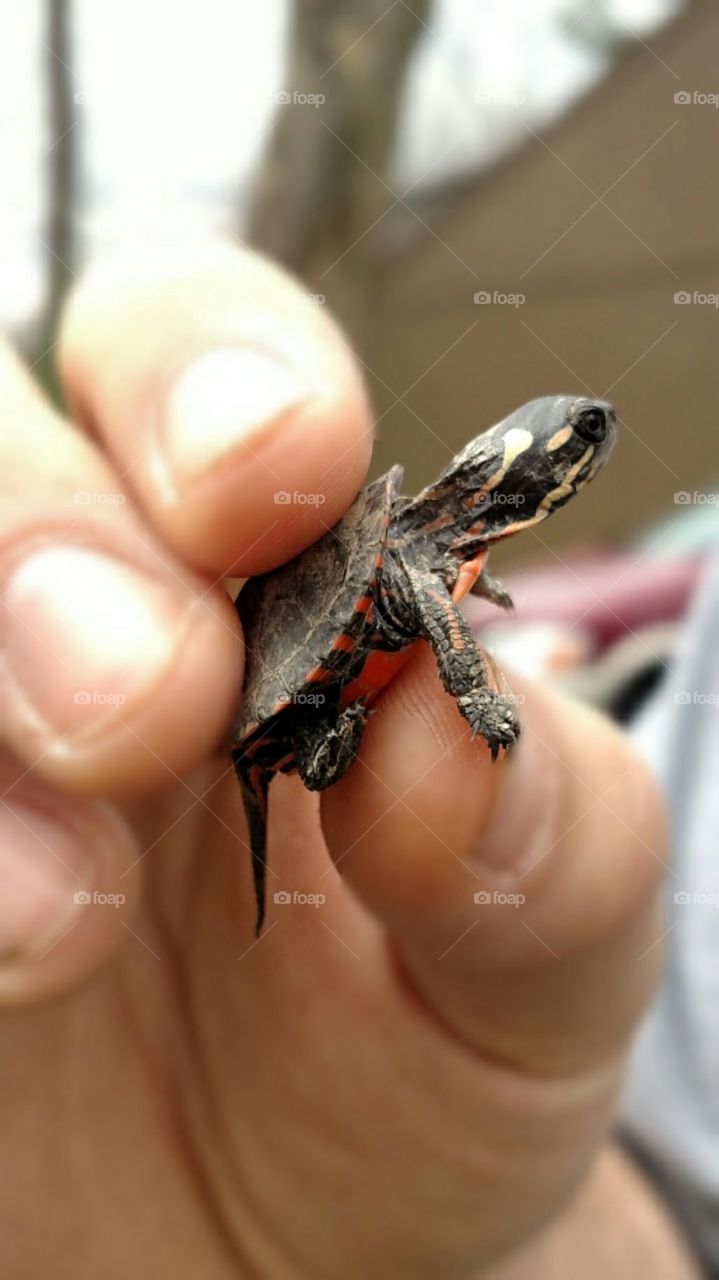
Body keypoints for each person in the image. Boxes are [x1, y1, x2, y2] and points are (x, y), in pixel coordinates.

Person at [0, 240, 701, 1277]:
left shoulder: (447, 544)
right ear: (526, 469)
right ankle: (309, 738)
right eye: (576, 440)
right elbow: (412, 594)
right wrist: (466, 688)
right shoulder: (426, 546)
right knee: (321, 721)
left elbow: (427, 590)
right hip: (289, 697)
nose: (589, 444)